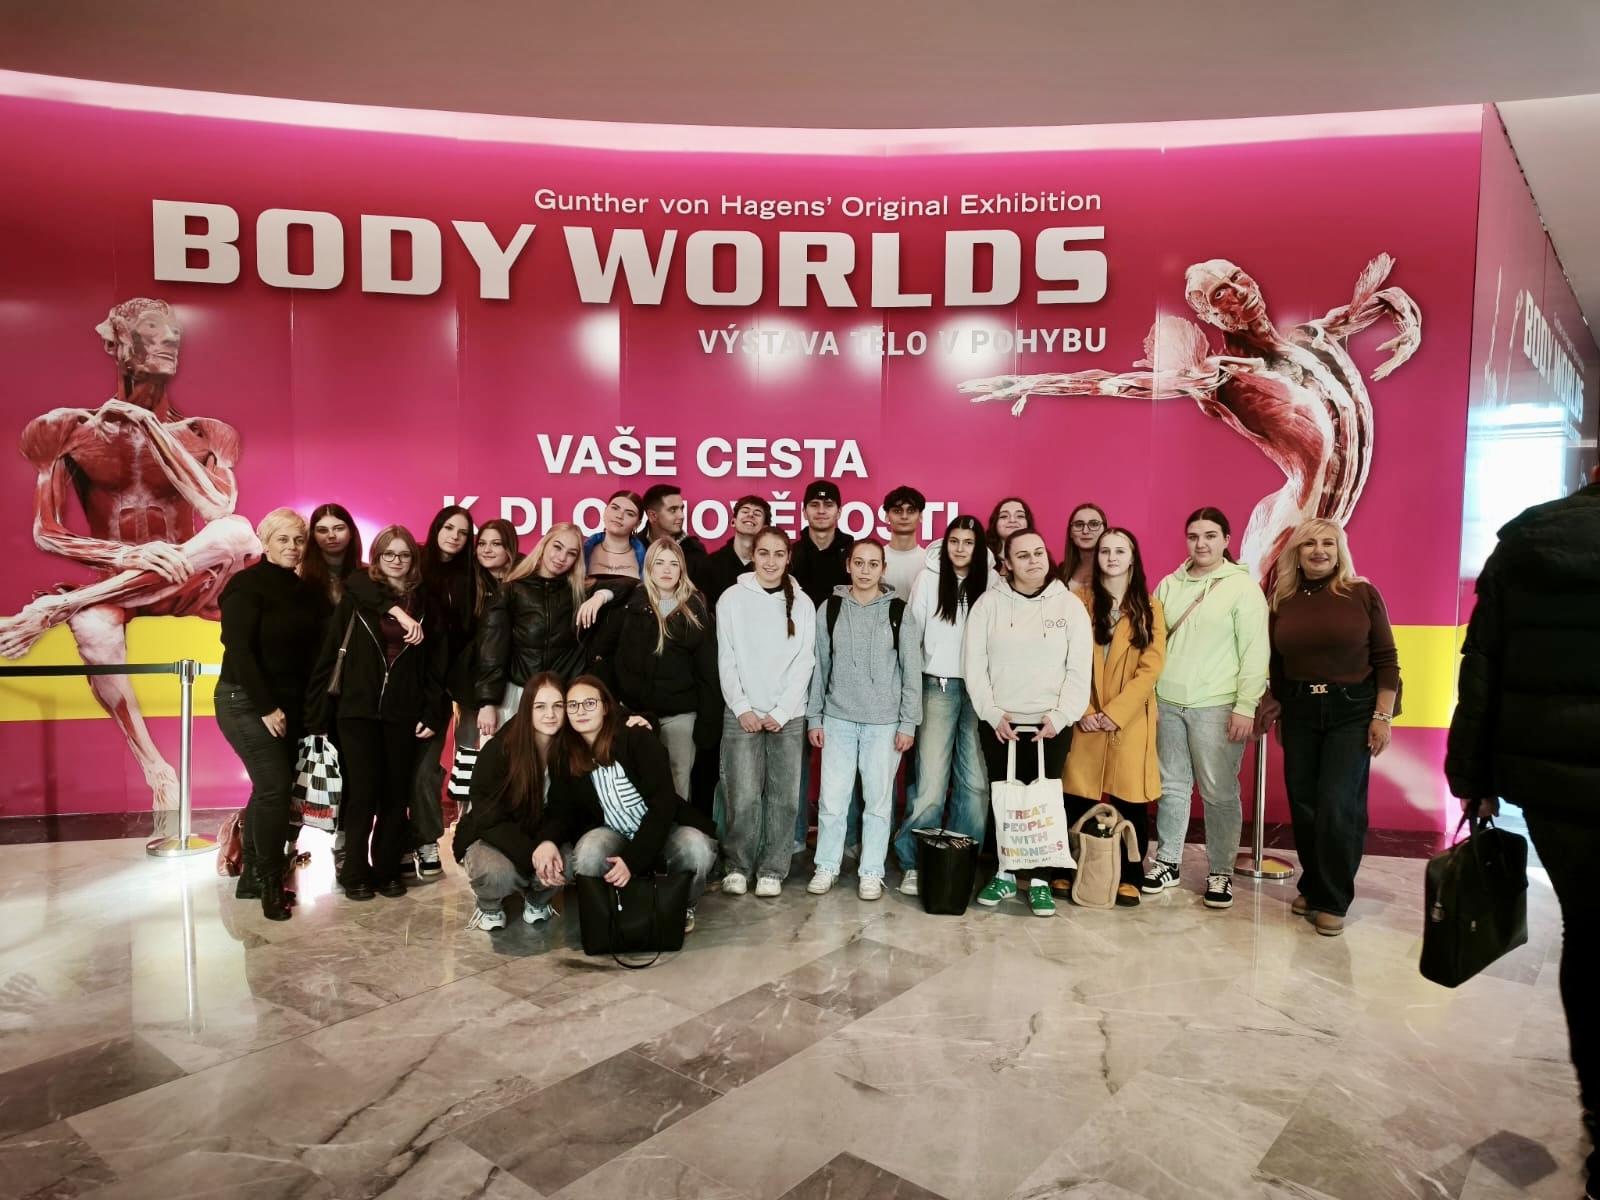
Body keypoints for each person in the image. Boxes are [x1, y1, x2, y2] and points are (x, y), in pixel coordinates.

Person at [0, 298, 259, 835]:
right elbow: (46, 530)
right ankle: (156, 769)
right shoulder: (68, 429)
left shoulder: (206, 432)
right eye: (151, 329)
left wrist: (150, 425)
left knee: (237, 532)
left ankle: (62, 605)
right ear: (116, 344)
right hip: (122, 585)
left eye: (173, 331)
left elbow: (218, 509)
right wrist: (126, 555)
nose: (170, 340)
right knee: (92, 629)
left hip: (189, 577)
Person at [1446, 477, 1600, 1200]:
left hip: (1553, 782)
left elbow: (1482, 665)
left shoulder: (1529, 538)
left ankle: (1599, 1111)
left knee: (1589, 933)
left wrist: (1472, 776)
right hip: (1555, 776)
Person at [306, 526, 447, 901]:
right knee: (362, 793)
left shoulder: (426, 602)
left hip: (403, 711)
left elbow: (438, 664)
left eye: (404, 555)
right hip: (357, 711)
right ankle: (355, 871)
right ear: (378, 558)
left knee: (395, 794)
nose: (397, 561)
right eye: (389, 554)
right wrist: (316, 715)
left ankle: (387, 870)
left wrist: (433, 710)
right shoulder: (359, 595)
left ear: (413, 560)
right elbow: (330, 653)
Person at [1143, 506, 1270, 910]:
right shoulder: (1168, 585)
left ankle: (1220, 871)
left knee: (1219, 792)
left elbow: (1255, 652)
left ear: (1226, 540)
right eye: (1194, 536)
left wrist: (1245, 705)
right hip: (1168, 702)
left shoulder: (1242, 588)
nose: (1201, 544)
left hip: (1217, 705)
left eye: (1210, 536)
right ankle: (1168, 862)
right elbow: (1152, 643)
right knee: (1172, 786)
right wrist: (1151, 697)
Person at [966, 529, 1092, 916]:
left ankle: (1039, 880)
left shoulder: (1068, 606)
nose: (1034, 560)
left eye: (1039, 552)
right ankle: (1004, 874)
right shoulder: (988, 605)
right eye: (1023, 555)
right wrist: (991, 713)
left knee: (1044, 802)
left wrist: (1061, 716)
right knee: (1003, 798)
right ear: (1006, 563)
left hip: (1050, 724)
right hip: (1000, 722)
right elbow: (974, 665)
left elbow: (1079, 670)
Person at [530, 676, 719, 933]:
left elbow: (663, 805)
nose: (581, 711)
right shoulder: (565, 754)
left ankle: (681, 905)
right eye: (573, 705)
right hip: (613, 830)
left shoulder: (636, 738)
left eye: (589, 703)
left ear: (606, 707)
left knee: (697, 849)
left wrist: (632, 860)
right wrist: (547, 840)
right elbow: (561, 811)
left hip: (663, 826)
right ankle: (609, 909)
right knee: (587, 854)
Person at [214, 508, 326, 921]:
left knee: (269, 790)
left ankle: (250, 878)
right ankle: (268, 883)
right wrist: (266, 707)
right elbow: (239, 651)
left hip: (287, 705)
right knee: (275, 788)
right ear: (265, 543)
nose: (292, 547)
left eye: (298, 540)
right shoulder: (246, 586)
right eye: (283, 539)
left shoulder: (305, 592)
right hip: (245, 701)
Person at [804, 539, 922, 899]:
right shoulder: (830, 608)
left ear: (883, 569)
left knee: (878, 803)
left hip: (884, 723)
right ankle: (827, 865)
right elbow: (820, 666)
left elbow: (911, 672)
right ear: (848, 566)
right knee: (832, 801)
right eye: (859, 563)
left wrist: (908, 722)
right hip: (838, 718)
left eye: (873, 564)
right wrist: (815, 717)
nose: (865, 570)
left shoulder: (899, 611)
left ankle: (871, 871)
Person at [1061, 527, 1166, 907]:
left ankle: (1130, 875)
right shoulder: (1078, 602)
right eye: (1105, 550)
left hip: (1129, 718)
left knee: (1130, 798)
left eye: (1120, 551)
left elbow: (1151, 668)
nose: (1111, 557)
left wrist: (1116, 713)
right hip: (1085, 714)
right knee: (1076, 792)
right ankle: (1066, 867)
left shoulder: (1150, 607)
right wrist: (1085, 710)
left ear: (1132, 557)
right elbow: (1066, 660)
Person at [892, 516, 992, 894]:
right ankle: (914, 861)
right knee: (931, 782)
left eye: (969, 542)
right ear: (945, 544)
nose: (960, 549)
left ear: (978, 548)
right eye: (954, 541)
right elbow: (912, 638)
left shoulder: (993, 582)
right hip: (937, 686)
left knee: (975, 784)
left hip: (980, 692)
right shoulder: (928, 578)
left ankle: (958, 862)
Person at [716, 527, 816, 897]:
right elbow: (726, 656)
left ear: (788, 558)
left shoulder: (802, 603)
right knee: (742, 795)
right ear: (753, 556)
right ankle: (738, 866)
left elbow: (805, 660)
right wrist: (742, 707)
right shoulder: (731, 599)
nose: (771, 561)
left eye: (778, 554)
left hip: (787, 716)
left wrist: (783, 710)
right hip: (741, 712)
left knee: (784, 798)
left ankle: (773, 869)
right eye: (764, 553)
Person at [591, 537, 719, 803]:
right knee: (634, 784)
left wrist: (708, 721)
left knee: (678, 782)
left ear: (682, 569)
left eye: (673, 563)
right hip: (633, 712)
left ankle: (677, 831)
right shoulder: (629, 604)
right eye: (659, 563)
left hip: (679, 714)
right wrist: (616, 702)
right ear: (649, 567)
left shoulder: (695, 610)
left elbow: (707, 671)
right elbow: (603, 655)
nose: (666, 569)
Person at [475, 521, 621, 741]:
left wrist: (601, 596)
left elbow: (631, 586)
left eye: (571, 553)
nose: (561, 557)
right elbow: (491, 649)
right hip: (516, 694)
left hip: (561, 699)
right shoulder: (512, 589)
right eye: (557, 547)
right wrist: (488, 702)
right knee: (507, 759)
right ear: (544, 545)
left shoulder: (580, 591)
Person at [454, 671, 567, 931]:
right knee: (498, 874)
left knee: (570, 861)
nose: (550, 714)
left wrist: (548, 842)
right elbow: (486, 817)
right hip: (492, 834)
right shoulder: (500, 749)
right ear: (527, 710)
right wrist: (532, 856)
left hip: (538, 833)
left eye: (558, 706)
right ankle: (489, 904)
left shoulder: (567, 749)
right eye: (540, 706)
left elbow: (567, 810)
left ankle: (537, 900)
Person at [408, 505, 477, 880]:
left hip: (451, 684)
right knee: (402, 767)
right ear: (436, 528)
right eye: (449, 528)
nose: (454, 536)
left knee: (431, 769)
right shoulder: (413, 562)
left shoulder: (472, 574)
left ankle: (430, 839)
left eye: (463, 532)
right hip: (408, 680)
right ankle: (403, 841)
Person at [699, 495, 771, 608]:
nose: (750, 515)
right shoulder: (710, 564)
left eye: (757, 513)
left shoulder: (771, 566)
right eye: (745, 511)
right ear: (733, 522)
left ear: (764, 528)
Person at [791, 480, 853, 606]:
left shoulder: (853, 554)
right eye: (814, 505)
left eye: (828, 505)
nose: (821, 511)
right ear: (804, 512)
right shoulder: (790, 554)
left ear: (839, 512)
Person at [642, 483, 708, 586]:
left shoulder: (696, 550)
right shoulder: (634, 546)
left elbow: (701, 592)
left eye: (681, 509)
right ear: (653, 516)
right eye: (673, 510)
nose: (681, 516)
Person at [302, 503, 364, 606]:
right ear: (313, 535)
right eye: (322, 530)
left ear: (351, 532)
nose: (331, 535)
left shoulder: (369, 573)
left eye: (339, 528)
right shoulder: (299, 574)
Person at [584, 489, 646, 579]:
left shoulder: (648, 560)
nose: (619, 516)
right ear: (604, 511)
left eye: (629, 514)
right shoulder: (582, 552)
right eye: (615, 508)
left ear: (637, 524)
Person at [881, 485, 927, 601]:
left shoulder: (930, 561)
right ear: (887, 516)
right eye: (897, 511)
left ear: (920, 516)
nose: (904, 516)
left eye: (911, 511)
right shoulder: (875, 560)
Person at [1060, 502, 1108, 596]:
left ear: (1105, 530)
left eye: (1094, 524)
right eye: (1079, 525)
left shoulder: (1114, 567)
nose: (1085, 531)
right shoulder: (1061, 570)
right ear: (1070, 533)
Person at [985, 497, 1034, 578]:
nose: (1012, 520)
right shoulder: (982, 555)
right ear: (995, 523)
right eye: (1004, 516)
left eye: (1020, 516)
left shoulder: (1038, 557)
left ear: (1028, 523)